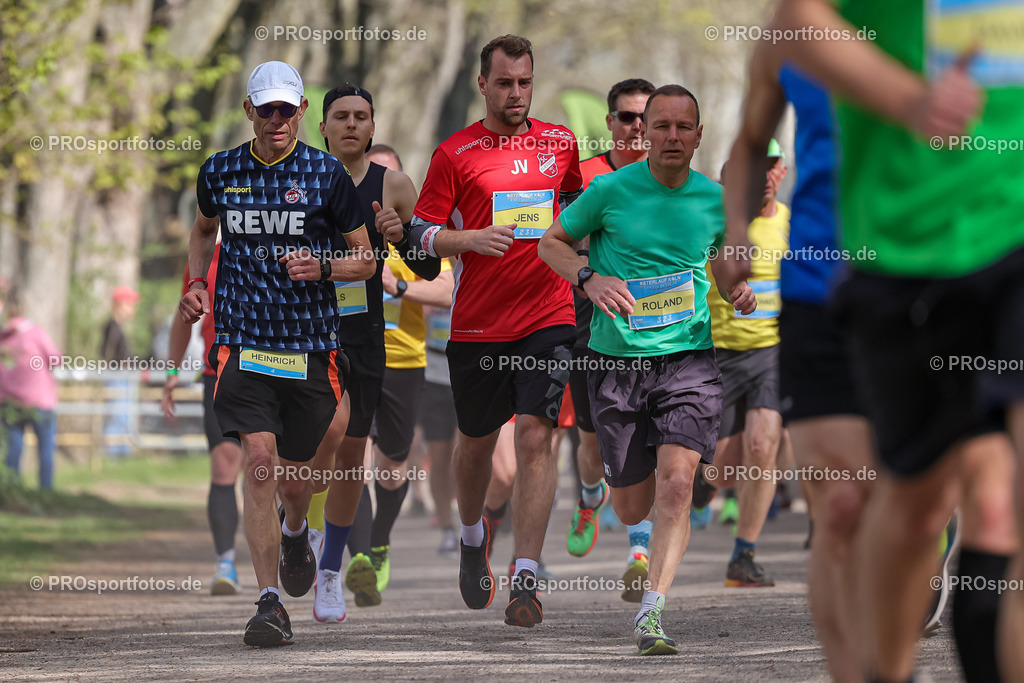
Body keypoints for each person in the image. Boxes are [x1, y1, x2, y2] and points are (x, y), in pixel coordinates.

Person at [721, 3, 1024, 679]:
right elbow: (748, 142)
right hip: (838, 279)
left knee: (988, 498)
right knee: (852, 502)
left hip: (999, 254)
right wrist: (735, 231)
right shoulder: (806, 27)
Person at [539, 84, 755, 655]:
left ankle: (653, 611)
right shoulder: (608, 190)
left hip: (687, 360)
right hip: (616, 365)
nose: (672, 137)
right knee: (633, 504)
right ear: (644, 132)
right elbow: (550, 243)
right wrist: (589, 277)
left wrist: (737, 290)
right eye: (661, 126)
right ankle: (614, 511)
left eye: (684, 128)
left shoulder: (714, 200)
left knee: (678, 484)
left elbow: (722, 264)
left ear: (699, 136)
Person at [179, 61, 373, 647]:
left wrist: (325, 267)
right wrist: (195, 285)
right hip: (244, 343)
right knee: (258, 461)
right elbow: (201, 231)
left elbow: (366, 261)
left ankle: (296, 532)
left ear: (301, 111)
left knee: (296, 484)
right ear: (248, 111)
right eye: (266, 109)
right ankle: (268, 603)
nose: (277, 120)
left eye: (286, 110)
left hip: (311, 347)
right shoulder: (220, 171)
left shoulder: (325, 174)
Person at [392, 34, 583, 628]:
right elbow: (417, 236)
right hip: (476, 325)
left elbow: (581, 213)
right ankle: (473, 536)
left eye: (525, 82)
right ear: (483, 84)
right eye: (505, 83)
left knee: (535, 436)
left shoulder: (561, 143)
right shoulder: (455, 154)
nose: (516, 93)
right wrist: (466, 240)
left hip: (549, 316)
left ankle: (525, 575)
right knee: (474, 443)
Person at [307, 85, 442, 622]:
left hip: (365, 339)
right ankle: (298, 526)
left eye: (361, 117)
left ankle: (331, 570)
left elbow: (428, 266)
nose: (351, 125)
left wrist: (404, 233)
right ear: (322, 127)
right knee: (309, 453)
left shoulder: (395, 184)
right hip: (308, 334)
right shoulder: (303, 179)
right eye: (340, 116)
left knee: (349, 457)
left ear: (372, 125)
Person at [565, 79, 659, 606]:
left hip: (657, 330)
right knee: (594, 441)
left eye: (645, 117)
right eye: (626, 117)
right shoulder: (586, 176)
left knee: (643, 439)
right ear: (610, 123)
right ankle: (588, 496)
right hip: (592, 326)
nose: (637, 127)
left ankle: (639, 553)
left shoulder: (671, 177)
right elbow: (565, 237)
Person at [697, 143, 790, 588]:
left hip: (770, 353)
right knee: (722, 468)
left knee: (763, 444)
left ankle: (743, 555)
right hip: (718, 352)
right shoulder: (717, 218)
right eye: (755, 167)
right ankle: (706, 484)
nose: (764, 175)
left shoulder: (792, 225)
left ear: (783, 171)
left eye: (771, 167)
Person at [368, 146, 455, 597]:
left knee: (392, 464)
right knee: (337, 452)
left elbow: (445, 291)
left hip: (403, 359)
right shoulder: (336, 221)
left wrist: (398, 285)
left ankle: (378, 541)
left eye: (389, 179)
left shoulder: (416, 233)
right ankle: (338, 548)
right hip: (344, 354)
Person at [162, 244, 245, 595]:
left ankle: (292, 548)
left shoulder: (286, 242)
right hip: (219, 370)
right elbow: (185, 315)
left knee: (275, 470)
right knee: (224, 465)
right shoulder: (204, 259)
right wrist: (172, 370)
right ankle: (225, 563)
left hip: (278, 368)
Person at [0, 293, 60, 490]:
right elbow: (55, 359)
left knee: (14, 449)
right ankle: (46, 491)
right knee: (45, 451)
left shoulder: (3, 338)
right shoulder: (36, 333)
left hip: (9, 402)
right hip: (40, 400)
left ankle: (10, 489)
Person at [101, 286, 139, 458]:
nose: (133, 309)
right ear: (119, 305)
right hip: (116, 377)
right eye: (129, 304)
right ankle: (114, 453)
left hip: (122, 377)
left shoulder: (117, 327)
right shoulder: (112, 326)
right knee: (116, 415)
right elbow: (108, 354)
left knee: (124, 415)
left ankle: (123, 452)